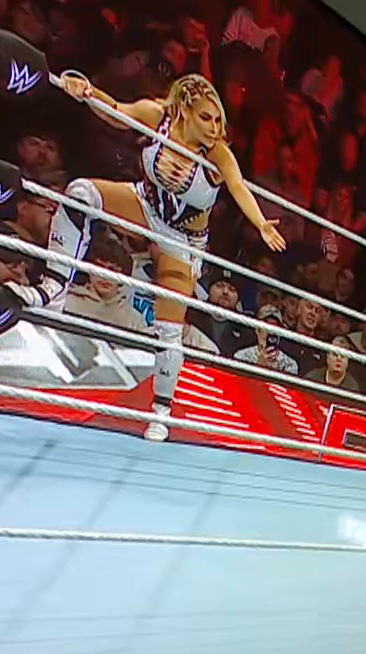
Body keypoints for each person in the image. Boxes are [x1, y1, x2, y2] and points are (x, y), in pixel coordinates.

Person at [30, 70, 285, 441]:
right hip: (145, 205)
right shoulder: (158, 117)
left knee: (169, 328)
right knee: (81, 193)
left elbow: (238, 186)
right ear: (184, 111)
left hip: (184, 238)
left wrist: (260, 223)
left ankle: (161, 411)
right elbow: (117, 112)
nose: (214, 128)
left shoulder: (218, 153)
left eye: (218, 120)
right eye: (206, 118)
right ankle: (53, 287)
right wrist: (86, 91)